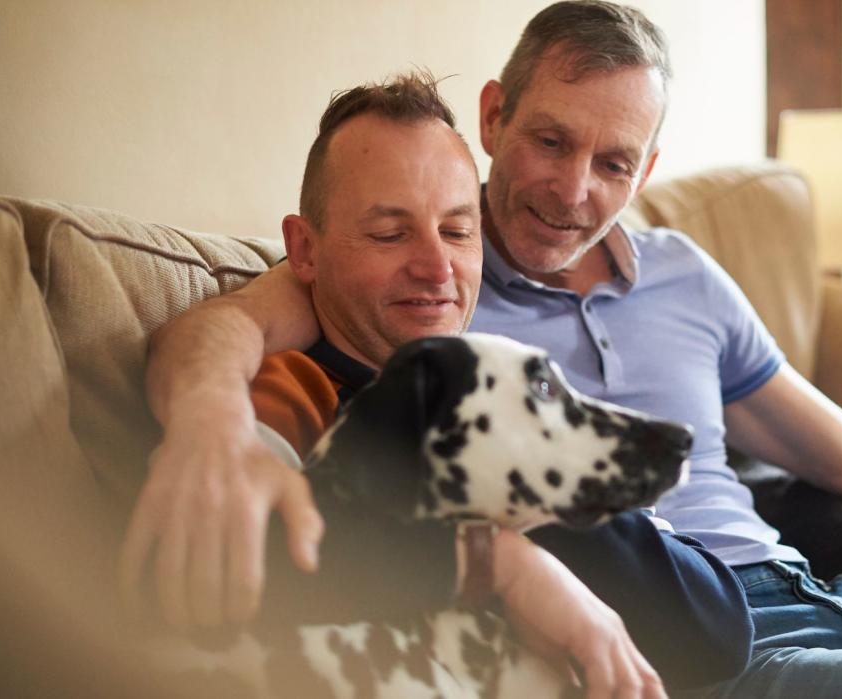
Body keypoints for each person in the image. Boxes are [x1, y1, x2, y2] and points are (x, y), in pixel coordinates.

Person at [125, 2, 842, 697]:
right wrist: (212, 429)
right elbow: (221, 331)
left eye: (613, 162)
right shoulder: (430, 280)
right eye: (550, 140)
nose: (573, 189)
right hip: (720, 648)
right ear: (496, 118)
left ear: (648, 166)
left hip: (832, 588)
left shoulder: (681, 271)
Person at [122, 69, 751, 698]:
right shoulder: (296, 388)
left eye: (457, 231)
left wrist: (522, 491)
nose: (435, 267)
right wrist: (499, 564)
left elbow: (716, 627)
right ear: (304, 250)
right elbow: (239, 564)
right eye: (390, 233)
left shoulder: (506, 400)